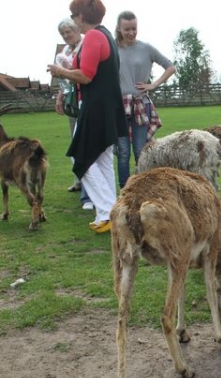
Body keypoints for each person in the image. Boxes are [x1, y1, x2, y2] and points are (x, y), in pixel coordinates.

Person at [47, 0, 128, 234]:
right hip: (107, 107)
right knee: (101, 159)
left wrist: (59, 71)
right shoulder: (106, 36)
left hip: (96, 107)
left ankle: (107, 211)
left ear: (81, 16)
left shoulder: (93, 37)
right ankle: (111, 212)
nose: (72, 20)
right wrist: (67, 65)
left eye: (73, 15)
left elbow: (86, 75)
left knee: (80, 158)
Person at [114, 11, 176, 188]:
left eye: (134, 28)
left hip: (141, 104)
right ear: (119, 28)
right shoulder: (113, 49)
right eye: (127, 29)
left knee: (140, 150)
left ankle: (142, 188)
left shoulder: (146, 48)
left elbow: (170, 67)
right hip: (120, 106)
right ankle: (125, 190)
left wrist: (153, 84)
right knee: (123, 151)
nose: (131, 33)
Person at [53, 17, 94, 211]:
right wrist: (60, 97)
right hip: (72, 102)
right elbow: (66, 81)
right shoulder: (65, 52)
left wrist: (63, 70)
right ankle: (79, 181)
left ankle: (90, 191)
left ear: (76, 30)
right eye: (63, 33)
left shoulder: (86, 46)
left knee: (87, 145)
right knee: (74, 142)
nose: (66, 35)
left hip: (85, 100)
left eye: (68, 32)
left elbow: (82, 74)